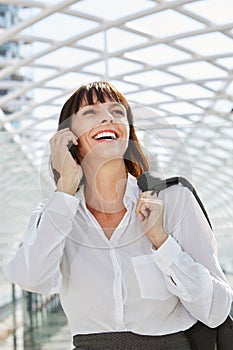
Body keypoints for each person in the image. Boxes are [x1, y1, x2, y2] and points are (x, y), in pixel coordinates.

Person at [3, 81, 232, 350]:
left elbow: (217, 310)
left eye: (117, 112)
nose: (107, 117)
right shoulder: (58, 216)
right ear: (68, 138)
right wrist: (65, 188)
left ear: (128, 133)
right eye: (90, 112)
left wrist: (162, 242)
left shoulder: (174, 200)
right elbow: (31, 279)